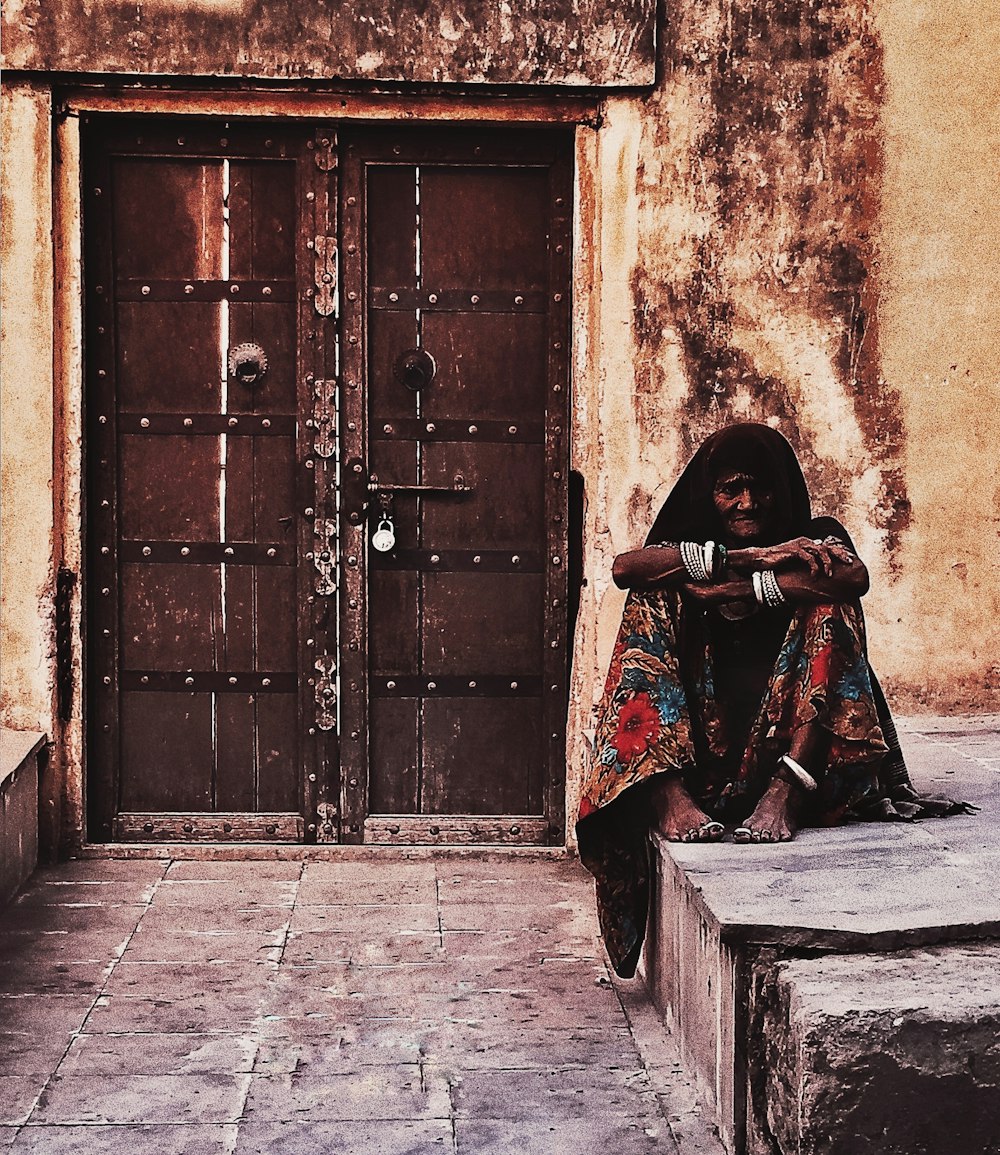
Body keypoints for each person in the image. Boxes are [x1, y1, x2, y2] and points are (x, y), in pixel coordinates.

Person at [577, 423, 972, 978]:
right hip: (705, 757)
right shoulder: (690, 543)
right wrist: (748, 557)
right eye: (731, 488)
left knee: (830, 608)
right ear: (709, 493)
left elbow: (851, 579)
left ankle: (785, 794)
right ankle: (666, 794)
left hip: (797, 758)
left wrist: (748, 587)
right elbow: (624, 569)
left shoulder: (816, 536)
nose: (747, 502)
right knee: (650, 599)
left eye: (760, 487)